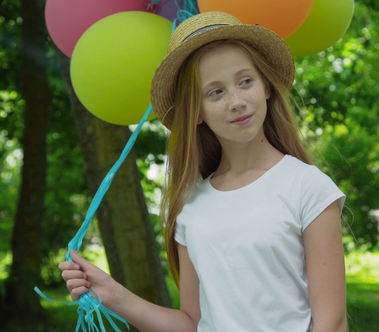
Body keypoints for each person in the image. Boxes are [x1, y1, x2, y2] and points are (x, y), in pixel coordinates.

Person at [59, 11, 347, 332]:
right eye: (216, 92)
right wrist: (112, 294)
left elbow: (331, 323)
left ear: (266, 86)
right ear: (196, 111)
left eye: (245, 81)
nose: (236, 101)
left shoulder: (308, 188)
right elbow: (191, 323)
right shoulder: (191, 207)